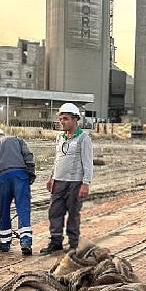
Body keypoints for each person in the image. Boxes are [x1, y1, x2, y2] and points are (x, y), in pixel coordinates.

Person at [40, 103, 93, 255]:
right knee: (54, 212)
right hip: (58, 181)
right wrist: (51, 178)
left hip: (75, 183)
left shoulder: (84, 139)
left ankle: (73, 245)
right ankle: (55, 242)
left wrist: (86, 183)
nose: (62, 121)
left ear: (75, 120)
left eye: (65, 119)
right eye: (61, 118)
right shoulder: (60, 137)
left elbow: (88, 163)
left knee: (73, 214)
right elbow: (57, 159)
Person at [0, 128, 35, 255]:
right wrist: (30, 176)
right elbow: (28, 157)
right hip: (20, 175)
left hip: (2, 177)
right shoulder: (17, 140)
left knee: (3, 209)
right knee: (23, 208)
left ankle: (5, 244)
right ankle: (26, 242)